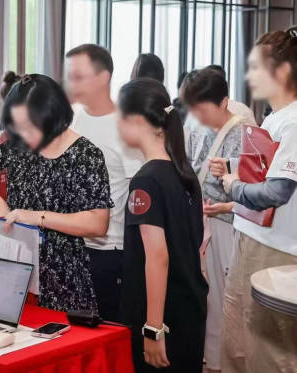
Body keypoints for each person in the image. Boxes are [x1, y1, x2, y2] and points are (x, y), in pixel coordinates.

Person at [0, 74, 113, 312]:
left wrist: (37, 217)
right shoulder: (13, 141)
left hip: (63, 277)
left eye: (30, 126)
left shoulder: (86, 155)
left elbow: (97, 223)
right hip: (14, 269)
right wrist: (1, 208)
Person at [209, 30, 297, 373]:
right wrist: (233, 168)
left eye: (257, 67)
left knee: (269, 353)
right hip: (249, 236)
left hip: (276, 249)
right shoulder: (274, 117)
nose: (249, 76)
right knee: (236, 344)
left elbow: (276, 192)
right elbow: (263, 171)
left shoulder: (293, 122)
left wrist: (233, 186)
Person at [117, 78, 208, 372]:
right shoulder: (184, 173)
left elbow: (158, 257)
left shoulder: (146, 181)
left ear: (136, 120)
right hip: (189, 309)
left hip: (162, 317)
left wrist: (153, 329)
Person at [179, 68, 252, 373]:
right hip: (199, 219)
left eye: (204, 109)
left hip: (227, 224)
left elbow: (255, 186)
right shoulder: (196, 125)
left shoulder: (245, 131)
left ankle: (223, 360)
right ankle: (207, 357)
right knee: (204, 294)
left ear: (223, 102)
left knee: (225, 296)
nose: (198, 116)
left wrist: (229, 181)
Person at [64, 44, 144, 322]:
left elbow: (138, 193)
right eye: (70, 76)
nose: (72, 83)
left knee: (106, 330)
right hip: (71, 244)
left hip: (109, 250)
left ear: (103, 78)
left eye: (79, 76)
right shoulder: (73, 118)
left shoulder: (125, 127)